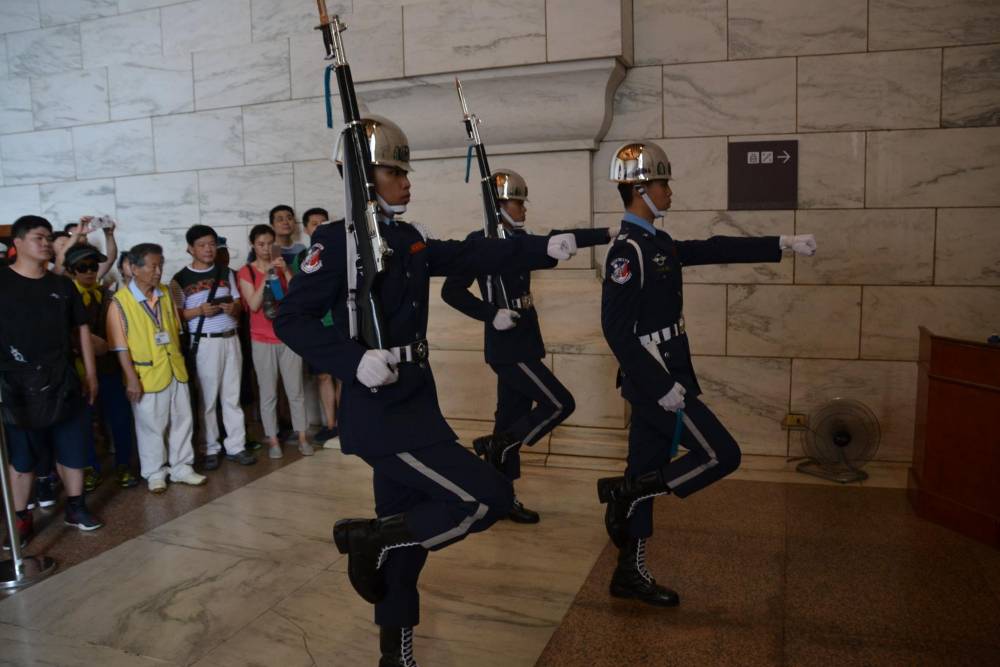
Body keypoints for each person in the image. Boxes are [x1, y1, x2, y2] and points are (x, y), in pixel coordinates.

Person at [275, 115, 581, 666]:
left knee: (406, 543)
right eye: (394, 172)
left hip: (417, 403)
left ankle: (396, 653)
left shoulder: (407, 237)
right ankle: (369, 540)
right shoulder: (337, 243)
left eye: (405, 171)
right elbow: (291, 317)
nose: (407, 182)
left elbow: (471, 255)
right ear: (363, 179)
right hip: (381, 413)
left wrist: (542, 249)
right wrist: (352, 359)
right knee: (486, 498)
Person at [595, 142, 817, 607]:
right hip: (657, 384)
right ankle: (624, 492)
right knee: (722, 454)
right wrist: (662, 388)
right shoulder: (627, 252)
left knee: (646, 469)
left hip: (671, 377)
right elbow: (617, 333)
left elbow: (712, 248)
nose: (670, 191)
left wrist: (779, 243)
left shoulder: (657, 242)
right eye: (662, 183)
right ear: (640, 189)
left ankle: (627, 570)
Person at [441, 169, 612, 523]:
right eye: (518, 202)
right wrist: (490, 314)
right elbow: (450, 290)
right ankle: (499, 444)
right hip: (506, 346)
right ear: (500, 204)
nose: (524, 209)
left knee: (509, 420)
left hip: (526, 340)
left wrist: (607, 233)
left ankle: (501, 498)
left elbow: (560, 239)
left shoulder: (520, 242)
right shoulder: (478, 244)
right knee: (559, 403)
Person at [1, 215, 103, 550]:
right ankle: (21, 516)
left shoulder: (62, 286)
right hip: (16, 386)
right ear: (17, 243)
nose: (45, 243)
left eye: (48, 238)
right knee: (23, 458)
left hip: (63, 381)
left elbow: (83, 331)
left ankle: (75, 507)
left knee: (72, 451)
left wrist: (90, 374)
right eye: (38, 237)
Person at [106, 243, 207, 493]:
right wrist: (131, 378)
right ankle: (154, 472)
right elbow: (120, 348)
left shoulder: (164, 293)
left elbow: (174, 329)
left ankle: (182, 467)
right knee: (150, 425)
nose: (158, 271)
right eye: (153, 266)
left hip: (174, 368)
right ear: (134, 268)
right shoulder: (120, 302)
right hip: (146, 373)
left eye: (160, 265)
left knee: (182, 419)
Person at [170, 225, 256, 470]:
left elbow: (239, 302)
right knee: (207, 399)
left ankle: (236, 446)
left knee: (232, 396)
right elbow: (175, 316)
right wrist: (199, 311)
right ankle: (210, 447)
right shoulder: (180, 279)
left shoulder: (226, 272)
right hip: (205, 342)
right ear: (190, 249)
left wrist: (233, 308)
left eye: (211, 244)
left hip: (231, 338)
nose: (208, 249)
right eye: (202, 245)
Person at [64, 243, 140, 489]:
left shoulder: (108, 296)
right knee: (84, 424)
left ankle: (124, 465)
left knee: (119, 419)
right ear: (71, 270)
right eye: (82, 267)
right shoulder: (65, 298)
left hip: (110, 369)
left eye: (93, 266)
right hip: (79, 373)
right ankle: (90, 468)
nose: (89, 271)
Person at [237, 225, 313, 459]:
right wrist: (267, 275)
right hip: (261, 340)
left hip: (288, 338)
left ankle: (302, 437)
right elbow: (253, 304)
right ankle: (272, 439)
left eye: (270, 243)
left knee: (295, 391)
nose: (266, 248)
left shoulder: (283, 267)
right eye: (261, 244)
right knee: (268, 393)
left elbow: (296, 298)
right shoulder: (246, 272)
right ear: (253, 245)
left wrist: (286, 272)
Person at [295, 207, 342, 448]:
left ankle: (346, 421)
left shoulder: (340, 251)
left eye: (324, 223)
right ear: (305, 229)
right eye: (315, 224)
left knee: (344, 374)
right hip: (317, 326)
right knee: (324, 376)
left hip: (340, 322)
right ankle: (331, 424)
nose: (320, 227)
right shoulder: (302, 257)